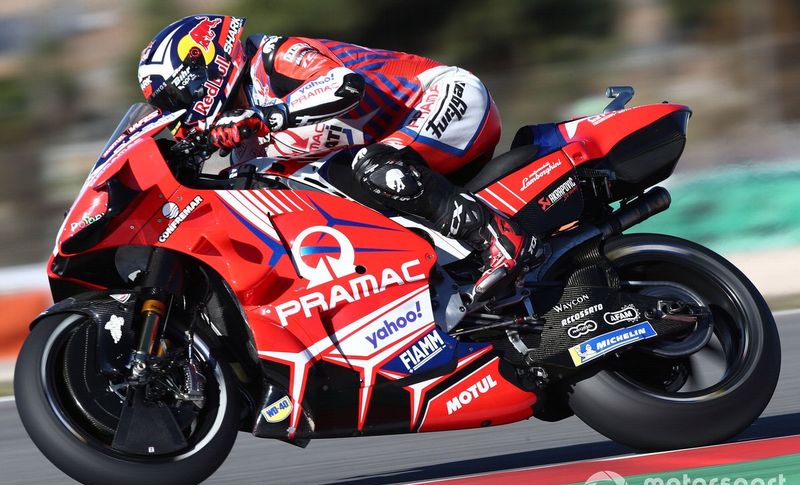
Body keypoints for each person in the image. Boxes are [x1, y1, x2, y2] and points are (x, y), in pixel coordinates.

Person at [138, 14, 542, 299]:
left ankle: (499, 239)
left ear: (200, 66)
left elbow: (343, 85)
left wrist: (266, 118)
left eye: (175, 97)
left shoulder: (273, 57)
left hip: (441, 98)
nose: (176, 113)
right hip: (401, 146)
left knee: (375, 166)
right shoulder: (242, 144)